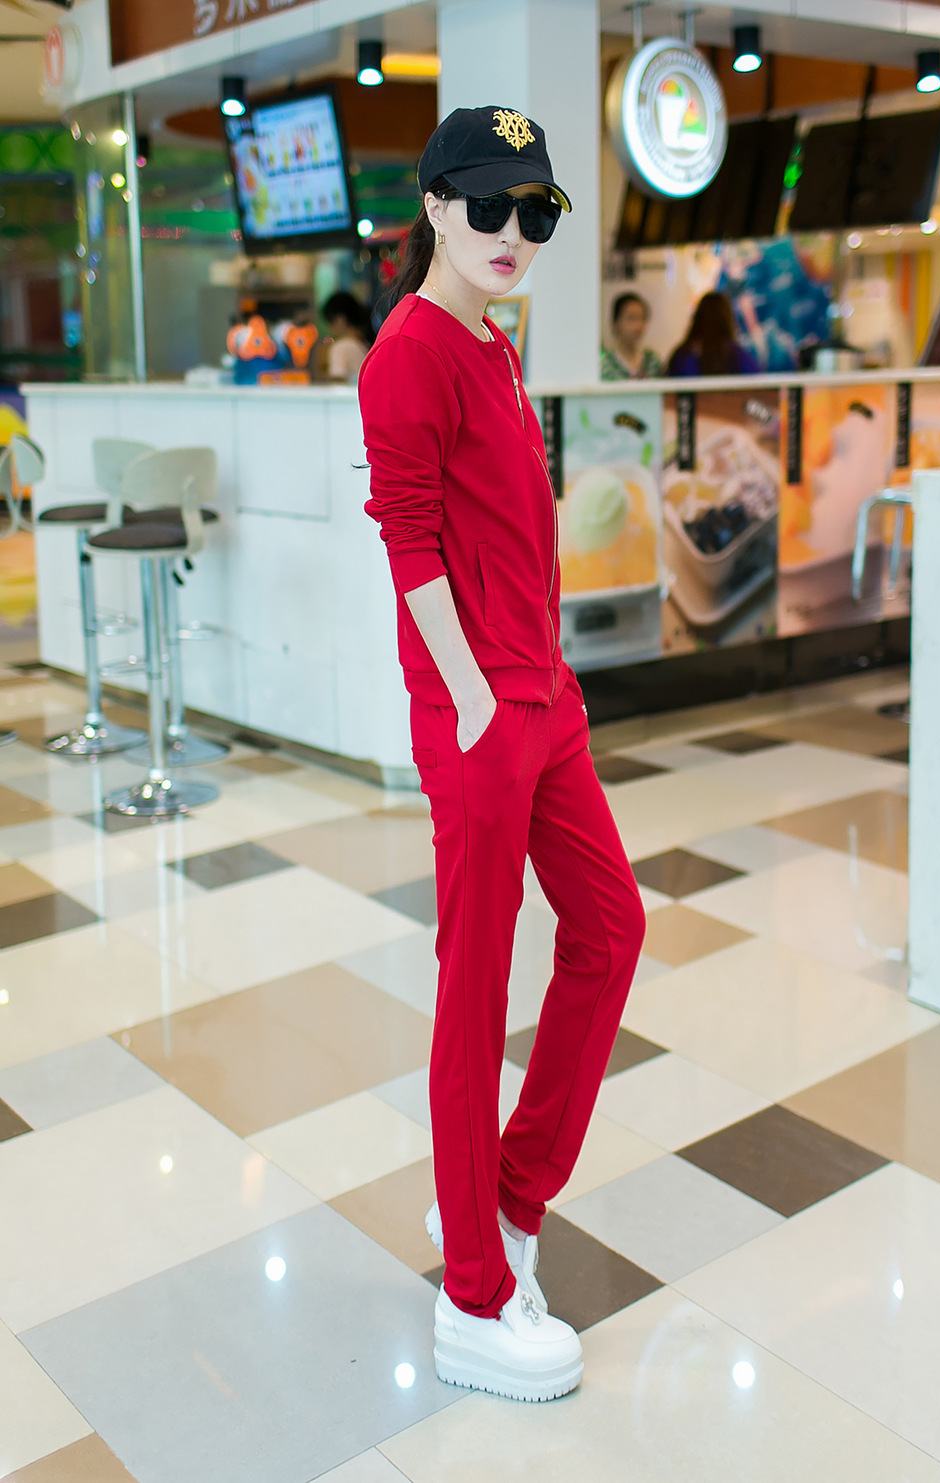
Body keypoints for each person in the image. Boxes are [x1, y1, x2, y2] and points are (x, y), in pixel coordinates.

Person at [359, 106, 646, 1405]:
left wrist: (541, 677)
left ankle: (510, 1190)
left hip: (542, 700)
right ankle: (472, 1292)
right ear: (433, 206)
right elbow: (410, 542)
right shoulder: (409, 355)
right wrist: (476, 696)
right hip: (478, 715)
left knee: (610, 925)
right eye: (489, 206)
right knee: (474, 986)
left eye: (535, 213)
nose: (512, 232)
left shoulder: (492, 342)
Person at [667, 290, 759, 376]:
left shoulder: (683, 354)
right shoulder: (735, 354)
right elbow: (758, 380)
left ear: (698, 318)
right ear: (727, 320)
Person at [600, 291, 664, 380]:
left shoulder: (652, 361)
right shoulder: (606, 365)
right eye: (631, 318)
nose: (638, 326)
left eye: (642, 318)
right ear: (616, 323)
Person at [321, 290, 372, 381]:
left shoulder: (341, 347)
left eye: (330, 322)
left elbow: (337, 383)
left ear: (340, 320)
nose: (329, 329)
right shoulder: (364, 344)